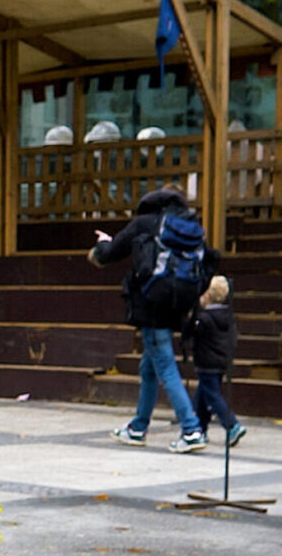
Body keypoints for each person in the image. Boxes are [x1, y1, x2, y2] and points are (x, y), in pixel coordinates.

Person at [89, 184, 220, 453]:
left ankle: (191, 429)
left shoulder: (145, 223)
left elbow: (111, 252)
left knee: (165, 367)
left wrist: (103, 242)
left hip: (150, 305)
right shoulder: (189, 227)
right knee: (148, 369)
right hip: (176, 306)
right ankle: (138, 428)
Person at [184, 275, 248, 447]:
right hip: (221, 361)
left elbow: (191, 332)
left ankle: (231, 425)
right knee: (203, 395)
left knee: (212, 395)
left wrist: (193, 313)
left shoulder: (204, 318)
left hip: (206, 361)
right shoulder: (228, 316)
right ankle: (200, 427)